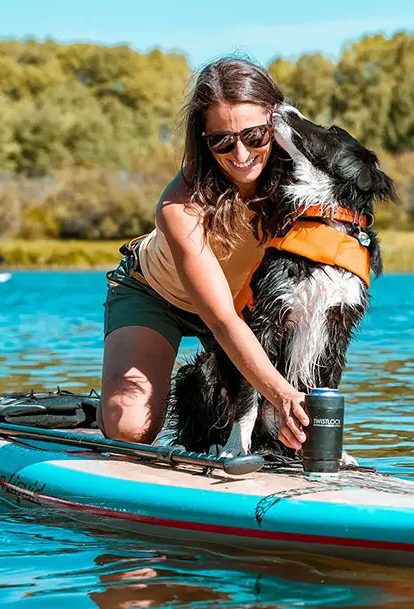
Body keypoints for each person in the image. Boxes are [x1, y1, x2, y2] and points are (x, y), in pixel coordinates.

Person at [99, 57, 310, 451]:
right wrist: (282, 394)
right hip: (157, 295)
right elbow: (221, 319)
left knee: (267, 430)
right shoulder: (178, 206)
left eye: (255, 136)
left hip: (244, 307)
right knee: (130, 427)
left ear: (276, 125)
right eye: (223, 141)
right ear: (203, 140)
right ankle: (102, 405)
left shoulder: (299, 181)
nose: (241, 153)